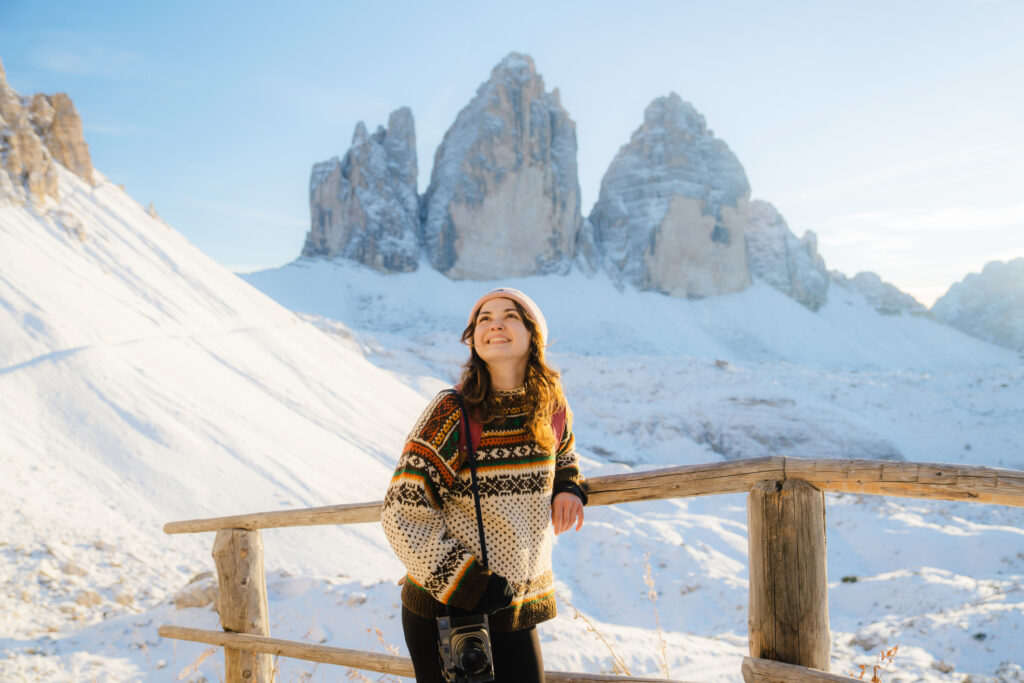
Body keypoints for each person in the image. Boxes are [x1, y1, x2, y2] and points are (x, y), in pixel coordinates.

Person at [381, 287, 587, 683]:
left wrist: (568, 486)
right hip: (451, 606)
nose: (495, 324)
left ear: (533, 335)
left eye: (510, 315)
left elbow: (564, 454)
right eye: (483, 318)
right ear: (473, 338)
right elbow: (401, 514)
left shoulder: (551, 406)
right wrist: (468, 584)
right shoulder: (451, 412)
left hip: (516, 605)